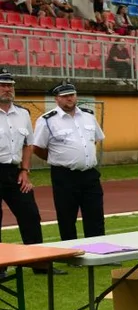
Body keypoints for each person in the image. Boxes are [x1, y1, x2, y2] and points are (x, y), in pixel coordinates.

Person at [31, 83, 105, 241]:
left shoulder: (88, 116)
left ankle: (99, 249)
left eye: (72, 95)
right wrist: (57, 158)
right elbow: (37, 148)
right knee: (66, 216)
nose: (69, 98)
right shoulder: (47, 121)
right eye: (65, 96)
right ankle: (71, 254)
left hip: (90, 174)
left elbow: (94, 140)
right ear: (57, 99)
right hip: (64, 175)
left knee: (95, 214)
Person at [0, 72, 45, 257]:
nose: (7, 89)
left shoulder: (23, 113)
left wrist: (25, 170)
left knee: (30, 215)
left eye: (10, 85)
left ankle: (38, 261)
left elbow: (28, 144)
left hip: (15, 172)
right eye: (3, 85)